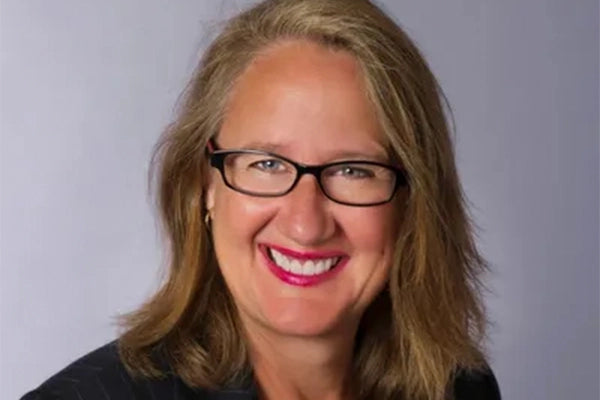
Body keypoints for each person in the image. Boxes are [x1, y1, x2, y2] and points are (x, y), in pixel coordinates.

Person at [21, 0, 501, 399]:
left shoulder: (459, 388)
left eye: (354, 170)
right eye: (266, 164)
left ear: (412, 199)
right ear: (204, 185)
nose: (305, 224)